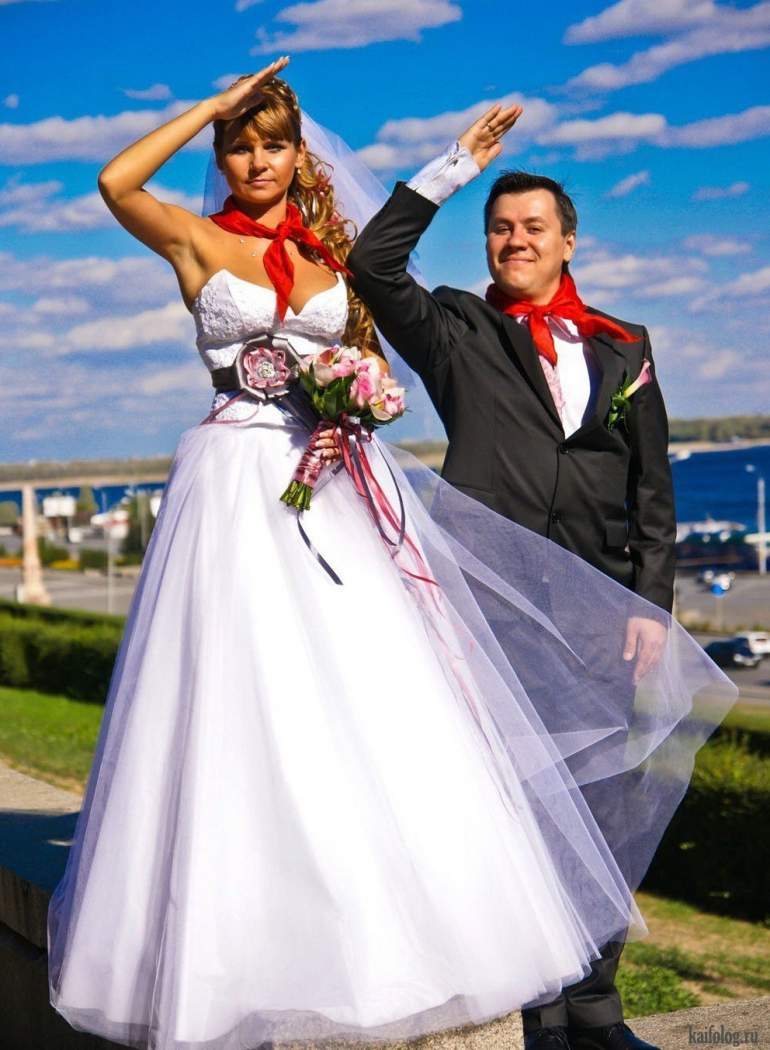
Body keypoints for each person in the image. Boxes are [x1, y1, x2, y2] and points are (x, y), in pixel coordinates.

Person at [46, 60, 736, 1050]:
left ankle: (557, 993)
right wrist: (217, 107)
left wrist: (354, 398)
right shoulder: (213, 247)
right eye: (239, 145)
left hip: (363, 498)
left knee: (388, 708)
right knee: (248, 694)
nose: (255, 159)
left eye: (272, 143)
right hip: (244, 488)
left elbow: (650, 483)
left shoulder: (600, 336)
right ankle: (249, 927)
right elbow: (120, 185)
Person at [346, 106, 677, 1050]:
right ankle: (541, 1015)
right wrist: (453, 167)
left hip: (605, 608)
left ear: (569, 241)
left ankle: (597, 1006)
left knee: (610, 796)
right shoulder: (457, 329)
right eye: (500, 228)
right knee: (524, 801)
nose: (516, 239)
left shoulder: (626, 344)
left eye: (534, 226)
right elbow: (373, 265)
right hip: (492, 604)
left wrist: (651, 603)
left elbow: (652, 487)